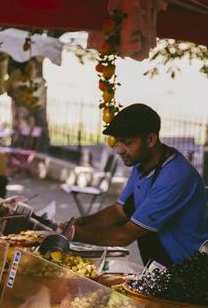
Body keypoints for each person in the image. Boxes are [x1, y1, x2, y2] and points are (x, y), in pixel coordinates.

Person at [67, 104, 208, 266]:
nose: (120, 150)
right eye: (117, 143)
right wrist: (81, 223)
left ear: (150, 140)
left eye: (126, 143)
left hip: (187, 269)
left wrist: (77, 234)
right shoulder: (142, 164)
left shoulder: (174, 176)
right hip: (159, 265)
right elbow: (119, 211)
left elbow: (125, 235)